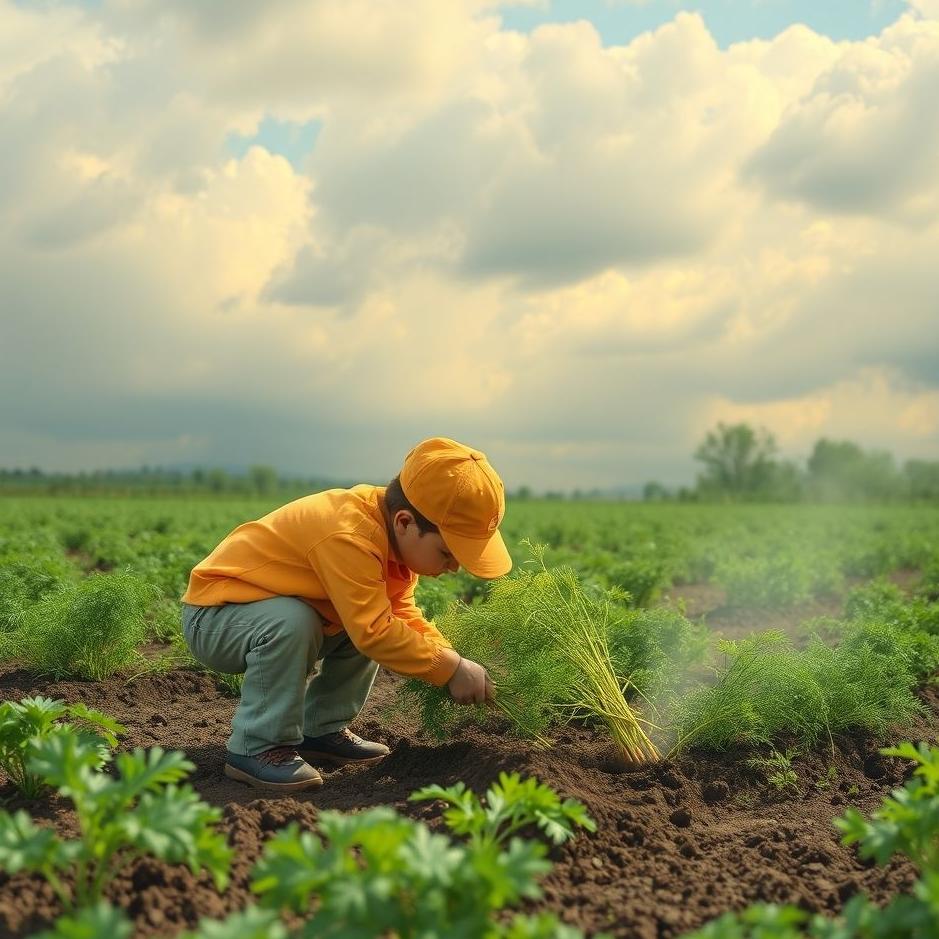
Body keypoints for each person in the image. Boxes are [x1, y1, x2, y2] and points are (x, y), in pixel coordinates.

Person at [180, 437, 512, 792]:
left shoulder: (393, 539)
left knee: (370, 621)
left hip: (276, 614)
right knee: (306, 622)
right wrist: (451, 671)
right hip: (217, 617)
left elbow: (398, 616)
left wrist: (450, 660)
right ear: (404, 522)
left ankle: (319, 730)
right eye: (447, 554)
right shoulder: (350, 533)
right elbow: (374, 631)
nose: (454, 568)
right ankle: (258, 746)